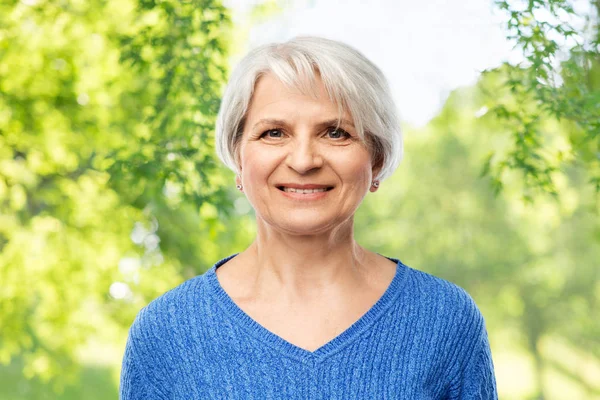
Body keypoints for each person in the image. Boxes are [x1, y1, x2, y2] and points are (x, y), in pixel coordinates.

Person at [120, 36, 497, 399]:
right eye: (273, 133)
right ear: (238, 157)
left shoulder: (445, 320)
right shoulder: (166, 333)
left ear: (377, 159)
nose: (303, 161)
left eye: (335, 133)